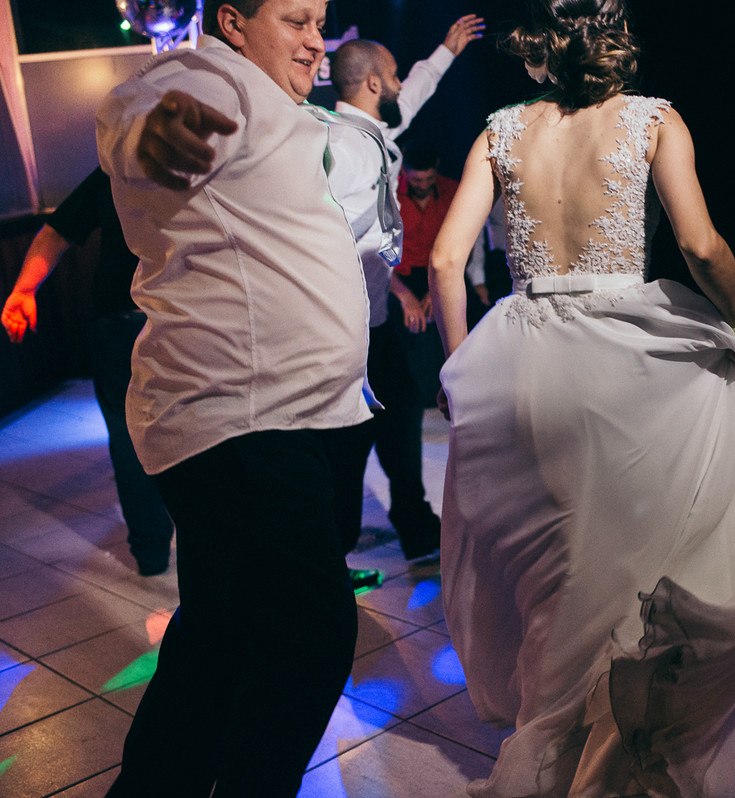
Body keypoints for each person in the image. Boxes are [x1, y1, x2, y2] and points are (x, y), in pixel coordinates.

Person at [427, 1, 735, 794]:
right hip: (624, 360)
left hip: (522, 360)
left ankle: (556, 741)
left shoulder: (499, 131)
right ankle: (626, 747)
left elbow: (443, 261)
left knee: (557, 573)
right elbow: (700, 244)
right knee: (625, 562)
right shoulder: (654, 120)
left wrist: (461, 368)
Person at [96, 0, 373, 794]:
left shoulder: (281, 109)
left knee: (220, 638)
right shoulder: (210, 78)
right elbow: (139, 110)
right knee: (312, 631)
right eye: (295, 19)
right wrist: (152, 135)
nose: (316, 40)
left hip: (275, 415)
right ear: (232, 22)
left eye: (320, 21)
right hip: (242, 416)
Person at [323, 17, 484, 570]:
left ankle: (415, 528)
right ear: (372, 83)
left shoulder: (372, 133)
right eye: (391, 75)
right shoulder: (343, 148)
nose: (397, 84)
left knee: (399, 417)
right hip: (346, 330)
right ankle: (334, 552)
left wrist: (445, 52)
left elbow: (409, 98)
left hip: (375, 322)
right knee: (348, 442)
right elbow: (340, 241)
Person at [2, 166, 174, 576]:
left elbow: (56, 231)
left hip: (118, 319)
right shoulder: (207, 156)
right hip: (183, 318)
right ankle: (215, 545)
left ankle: (151, 553)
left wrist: (24, 289)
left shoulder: (118, 166)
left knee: (128, 435)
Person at [393, 140, 486, 406]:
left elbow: (468, 245)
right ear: (404, 172)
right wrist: (405, 297)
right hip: (401, 277)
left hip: (445, 271)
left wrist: (439, 291)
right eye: (416, 180)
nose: (423, 185)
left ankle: (470, 393)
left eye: (429, 178)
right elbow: (375, 255)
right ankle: (417, 401)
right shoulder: (390, 193)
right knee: (408, 327)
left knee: (473, 317)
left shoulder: (453, 191)